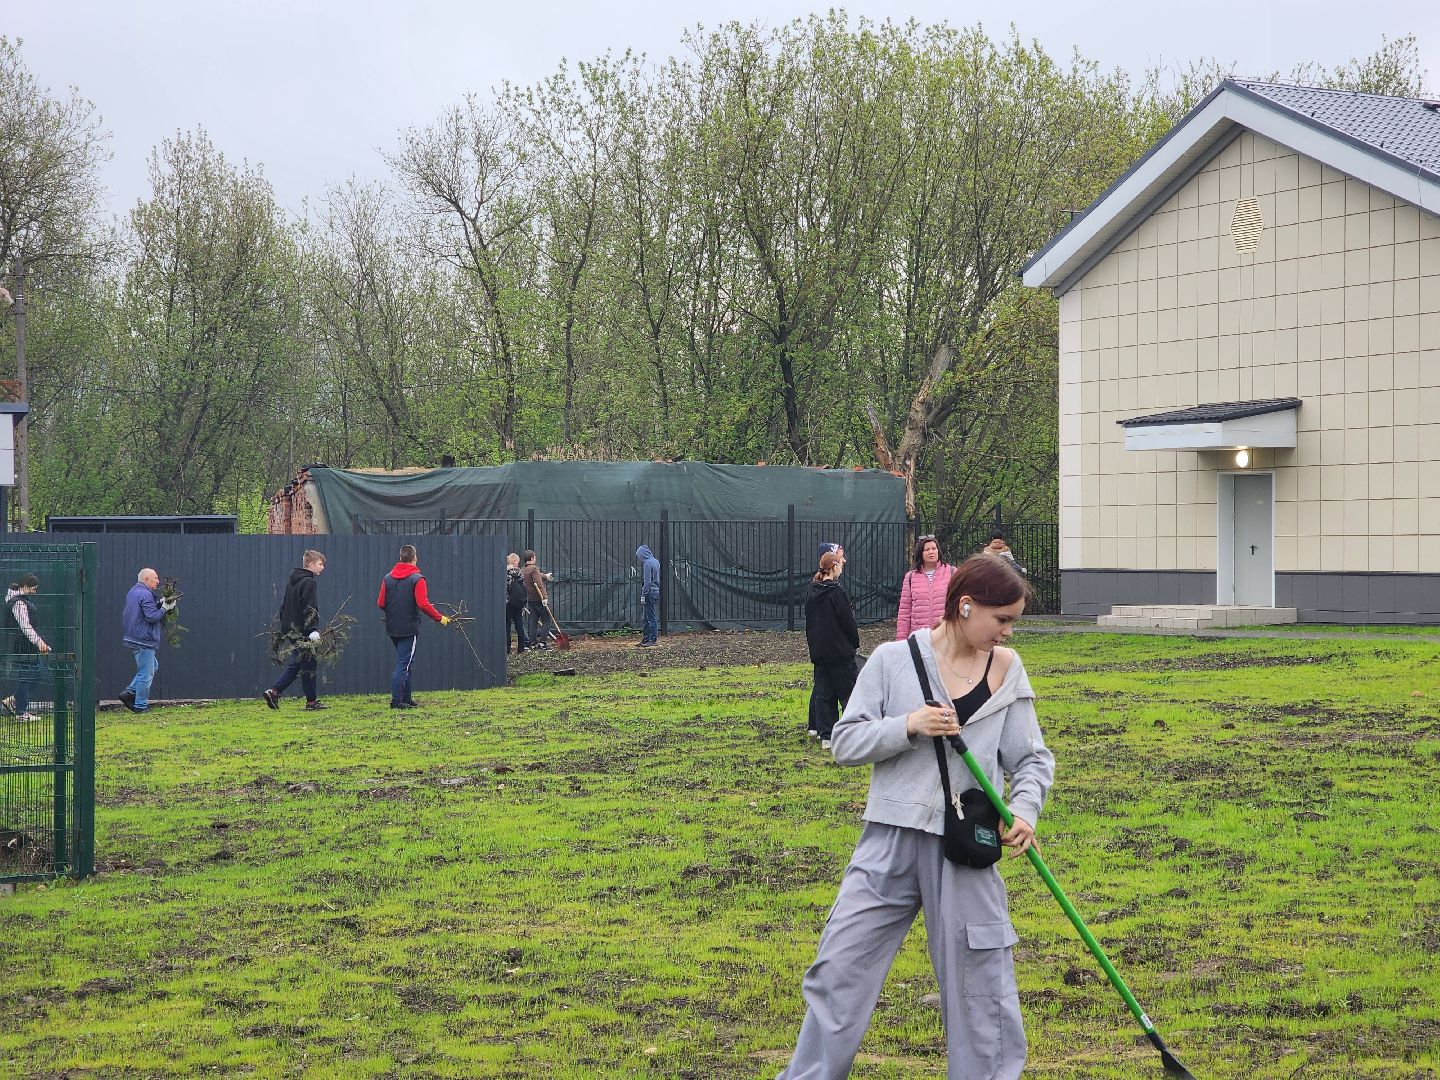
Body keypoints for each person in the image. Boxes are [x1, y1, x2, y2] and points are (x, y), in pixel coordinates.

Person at [779, 553, 1054, 1080]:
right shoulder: (892, 659)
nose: (1008, 631)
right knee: (840, 970)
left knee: (981, 984)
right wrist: (908, 724)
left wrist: (1023, 809)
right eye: (1002, 619)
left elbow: (1031, 759)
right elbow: (846, 740)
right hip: (890, 839)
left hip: (966, 849)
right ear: (965, 605)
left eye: (1013, 620)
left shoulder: (1008, 668)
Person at [376, 544, 450, 709]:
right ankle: (396, 701)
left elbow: (381, 602)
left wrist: (394, 612)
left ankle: (407, 698)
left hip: (392, 627)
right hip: (409, 628)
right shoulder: (417, 579)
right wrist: (440, 618)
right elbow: (423, 604)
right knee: (403, 663)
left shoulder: (388, 578)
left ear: (400, 558)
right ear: (414, 558)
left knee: (406, 661)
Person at [803, 550, 859, 749]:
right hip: (840, 653)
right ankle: (852, 733)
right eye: (840, 564)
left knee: (824, 694)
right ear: (834, 567)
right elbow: (847, 623)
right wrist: (854, 642)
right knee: (848, 694)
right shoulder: (836, 592)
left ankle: (826, 736)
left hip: (820, 653)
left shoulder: (812, 590)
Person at [263, 549, 327, 711]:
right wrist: (312, 629)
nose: (322, 567)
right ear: (310, 564)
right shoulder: (308, 582)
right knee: (306, 664)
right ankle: (276, 691)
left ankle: (308, 700)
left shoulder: (293, 581)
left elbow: (284, 606)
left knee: (302, 663)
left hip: (291, 629)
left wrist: (284, 627)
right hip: (303, 630)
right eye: (320, 564)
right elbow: (309, 607)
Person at [119, 567, 174, 713]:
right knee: (146, 674)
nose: (158, 581)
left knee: (152, 666)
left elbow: (144, 612)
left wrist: (159, 604)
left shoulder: (134, 592)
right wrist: (165, 608)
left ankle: (129, 692)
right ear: (146, 579)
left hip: (134, 637)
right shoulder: (146, 594)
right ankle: (140, 706)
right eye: (155, 578)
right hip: (144, 640)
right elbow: (152, 617)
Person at [3, 573, 51, 722]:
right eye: (33, 589)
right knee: (28, 676)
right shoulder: (18, 603)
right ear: (25, 586)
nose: (34, 592)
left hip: (26, 644)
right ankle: (21, 713)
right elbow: (25, 626)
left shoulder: (17, 599)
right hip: (24, 645)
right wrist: (39, 642)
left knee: (37, 673)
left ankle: (12, 700)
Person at [895, 533, 953, 640]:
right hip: (920, 638)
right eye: (927, 550)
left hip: (946, 636)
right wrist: (901, 641)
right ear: (920, 553)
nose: (931, 552)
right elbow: (904, 613)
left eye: (934, 548)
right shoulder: (910, 577)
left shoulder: (951, 572)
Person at [521, 550, 552, 649]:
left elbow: (537, 575)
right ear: (531, 558)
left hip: (530, 599)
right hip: (539, 599)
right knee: (546, 620)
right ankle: (542, 643)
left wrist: (546, 576)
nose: (536, 558)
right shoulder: (534, 568)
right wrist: (545, 597)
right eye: (535, 557)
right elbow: (538, 583)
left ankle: (532, 643)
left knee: (533, 621)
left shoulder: (523, 570)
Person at [504, 552, 531, 654]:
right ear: (514, 561)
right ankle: (521, 648)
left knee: (507, 625)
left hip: (507, 602)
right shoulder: (519, 572)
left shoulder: (504, 573)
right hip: (518, 603)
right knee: (519, 624)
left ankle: (507, 648)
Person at [635, 543, 660, 647]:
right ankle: (646, 639)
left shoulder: (647, 563)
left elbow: (647, 581)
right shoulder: (655, 561)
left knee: (649, 617)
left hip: (649, 592)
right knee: (647, 616)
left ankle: (651, 640)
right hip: (655, 590)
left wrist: (644, 595)